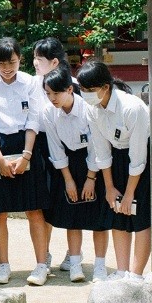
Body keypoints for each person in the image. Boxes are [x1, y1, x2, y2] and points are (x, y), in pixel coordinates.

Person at [76, 60, 152, 280]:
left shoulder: (131, 108)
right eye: (83, 90)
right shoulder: (91, 109)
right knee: (117, 211)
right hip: (117, 158)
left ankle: (136, 273)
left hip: (148, 157)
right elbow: (101, 151)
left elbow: (138, 157)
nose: (85, 95)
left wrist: (130, 193)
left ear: (105, 87)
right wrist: (109, 187)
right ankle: (121, 269)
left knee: (140, 213)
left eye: (90, 90)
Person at [0, 37, 51, 286]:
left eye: (13, 62)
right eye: (2, 63)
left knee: (34, 209)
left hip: (27, 144)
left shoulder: (30, 82)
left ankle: (41, 265)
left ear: (20, 59)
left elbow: (34, 119)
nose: (7, 68)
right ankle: (3, 265)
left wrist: (27, 155)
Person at [41, 66, 113, 282]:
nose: (52, 98)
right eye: (48, 94)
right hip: (68, 164)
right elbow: (55, 149)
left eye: (56, 93)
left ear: (70, 89)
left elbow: (97, 146)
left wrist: (91, 178)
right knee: (72, 216)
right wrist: (68, 180)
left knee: (99, 217)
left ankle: (100, 266)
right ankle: (74, 264)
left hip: (95, 162)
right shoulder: (48, 113)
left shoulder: (87, 109)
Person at [31, 37, 79, 272]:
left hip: (70, 147)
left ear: (54, 62)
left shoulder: (74, 85)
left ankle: (73, 253)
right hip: (40, 145)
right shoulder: (31, 84)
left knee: (72, 199)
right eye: (34, 58)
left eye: (39, 59)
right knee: (43, 203)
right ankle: (44, 254)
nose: (35, 63)